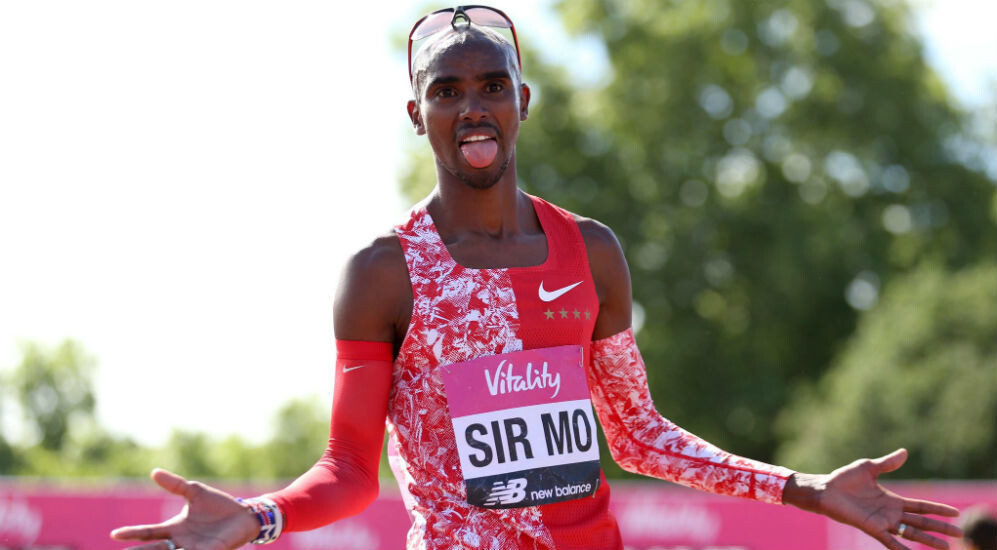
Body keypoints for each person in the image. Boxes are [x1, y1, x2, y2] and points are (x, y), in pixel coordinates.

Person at [111, 6, 963, 550]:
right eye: (447, 91)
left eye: (491, 86)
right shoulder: (382, 273)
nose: (471, 107)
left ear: (523, 100)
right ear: (417, 115)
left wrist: (805, 488)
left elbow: (637, 436)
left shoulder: (590, 251)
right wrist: (259, 518)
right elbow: (349, 471)